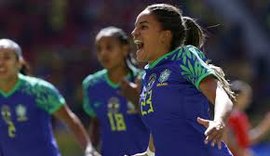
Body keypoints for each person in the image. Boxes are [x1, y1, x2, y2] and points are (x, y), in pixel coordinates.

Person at [130, 3, 235, 156]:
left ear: (165, 36)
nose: (134, 33)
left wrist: (219, 121)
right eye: (135, 27)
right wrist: (147, 154)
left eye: (143, 27)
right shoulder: (148, 75)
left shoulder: (184, 57)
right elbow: (160, 124)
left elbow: (220, 94)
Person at [0, 38, 100, 156]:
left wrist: (88, 148)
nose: (1, 63)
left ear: (19, 62)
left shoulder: (38, 90)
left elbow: (70, 120)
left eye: (6, 58)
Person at [82, 26, 149, 156]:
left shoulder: (144, 80)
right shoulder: (91, 85)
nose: (103, 53)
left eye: (109, 47)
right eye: (99, 49)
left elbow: (158, 123)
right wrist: (90, 148)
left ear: (125, 49)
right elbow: (96, 122)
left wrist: (136, 100)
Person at [224, 80, 270, 156]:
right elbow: (235, 142)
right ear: (237, 97)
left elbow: (244, 139)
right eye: (247, 97)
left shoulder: (233, 115)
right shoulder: (234, 117)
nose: (249, 100)